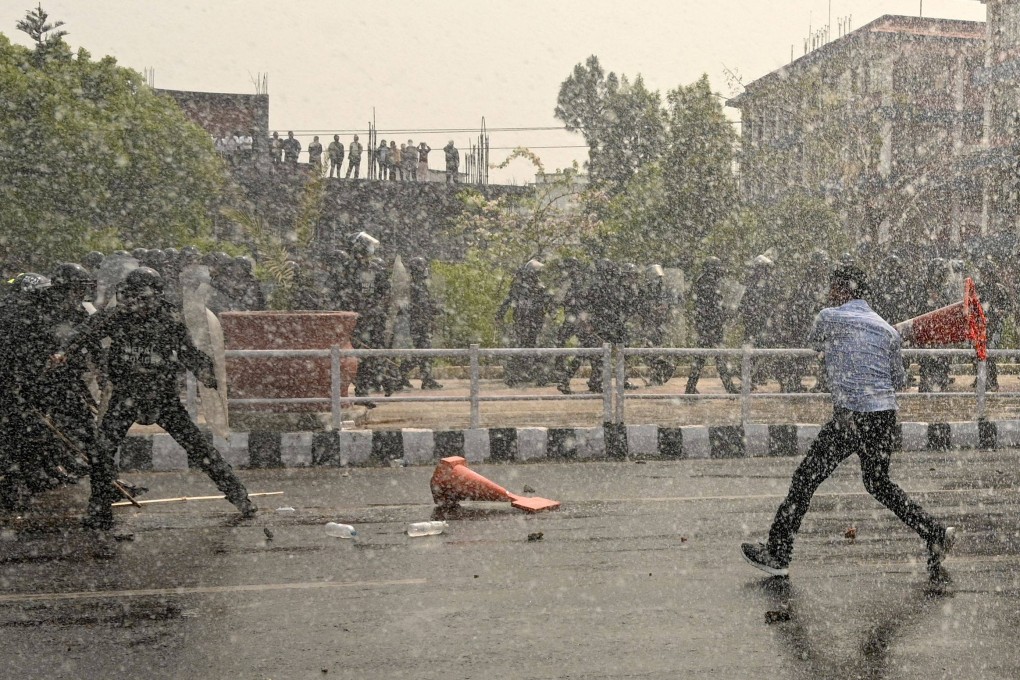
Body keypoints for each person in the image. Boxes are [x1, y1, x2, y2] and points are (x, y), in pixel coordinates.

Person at [741, 264, 956, 583]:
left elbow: (816, 344)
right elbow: (898, 379)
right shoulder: (887, 329)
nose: (829, 294)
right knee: (878, 483)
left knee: (805, 479)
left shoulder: (829, 317)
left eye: (833, 289)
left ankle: (778, 553)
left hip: (852, 415)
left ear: (841, 291)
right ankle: (934, 532)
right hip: (884, 415)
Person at [57, 268, 257, 529]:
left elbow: (187, 352)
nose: (134, 305)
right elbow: (84, 333)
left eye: (140, 298)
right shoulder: (117, 317)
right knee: (102, 453)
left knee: (200, 449)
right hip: (124, 395)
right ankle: (99, 512)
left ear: (154, 298)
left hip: (162, 397)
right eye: (130, 297)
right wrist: (63, 352)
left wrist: (207, 373)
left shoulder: (169, 318)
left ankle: (240, 498)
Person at [686, 257, 739, 394]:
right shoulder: (708, 283)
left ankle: (690, 388)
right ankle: (729, 388)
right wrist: (725, 314)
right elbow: (713, 308)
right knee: (716, 358)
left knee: (702, 359)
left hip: (707, 327)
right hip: (710, 328)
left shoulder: (704, 281)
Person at [495, 259, 552, 386]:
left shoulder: (538, 288)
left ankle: (533, 374)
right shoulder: (520, 288)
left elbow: (548, 303)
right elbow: (508, 301)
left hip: (532, 323)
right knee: (523, 348)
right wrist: (500, 315)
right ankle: (518, 375)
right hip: (524, 323)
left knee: (528, 347)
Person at [401, 257, 443, 390]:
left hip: (423, 323)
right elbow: (418, 307)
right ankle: (399, 373)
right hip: (417, 324)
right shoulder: (413, 287)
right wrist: (429, 312)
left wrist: (434, 309)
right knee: (422, 352)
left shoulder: (421, 286)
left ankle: (425, 378)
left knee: (425, 352)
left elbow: (426, 304)